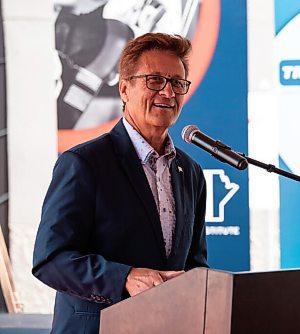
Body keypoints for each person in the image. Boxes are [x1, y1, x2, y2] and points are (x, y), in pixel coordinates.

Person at [32, 33, 208, 334]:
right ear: (124, 88)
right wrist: (124, 277)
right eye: (154, 80)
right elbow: (50, 260)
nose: (167, 92)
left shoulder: (190, 172)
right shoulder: (84, 163)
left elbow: (194, 264)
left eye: (177, 83)